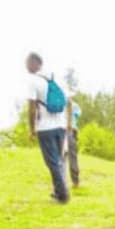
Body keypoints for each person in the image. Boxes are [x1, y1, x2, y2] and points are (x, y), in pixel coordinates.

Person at [24, 52, 68, 203]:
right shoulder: (55, 78)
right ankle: (59, 191)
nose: (26, 66)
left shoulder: (33, 81)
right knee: (59, 160)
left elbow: (31, 108)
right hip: (60, 126)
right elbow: (66, 101)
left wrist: (31, 129)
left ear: (35, 63)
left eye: (27, 62)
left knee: (52, 162)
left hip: (45, 127)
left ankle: (62, 194)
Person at [65, 98, 81, 189]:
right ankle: (75, 181)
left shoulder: (59, 102)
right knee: (73, 156)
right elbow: (77, 115)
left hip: (62, 130)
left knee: (62, 156)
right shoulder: (75, 105)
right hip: (72, 131)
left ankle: (62, 181)